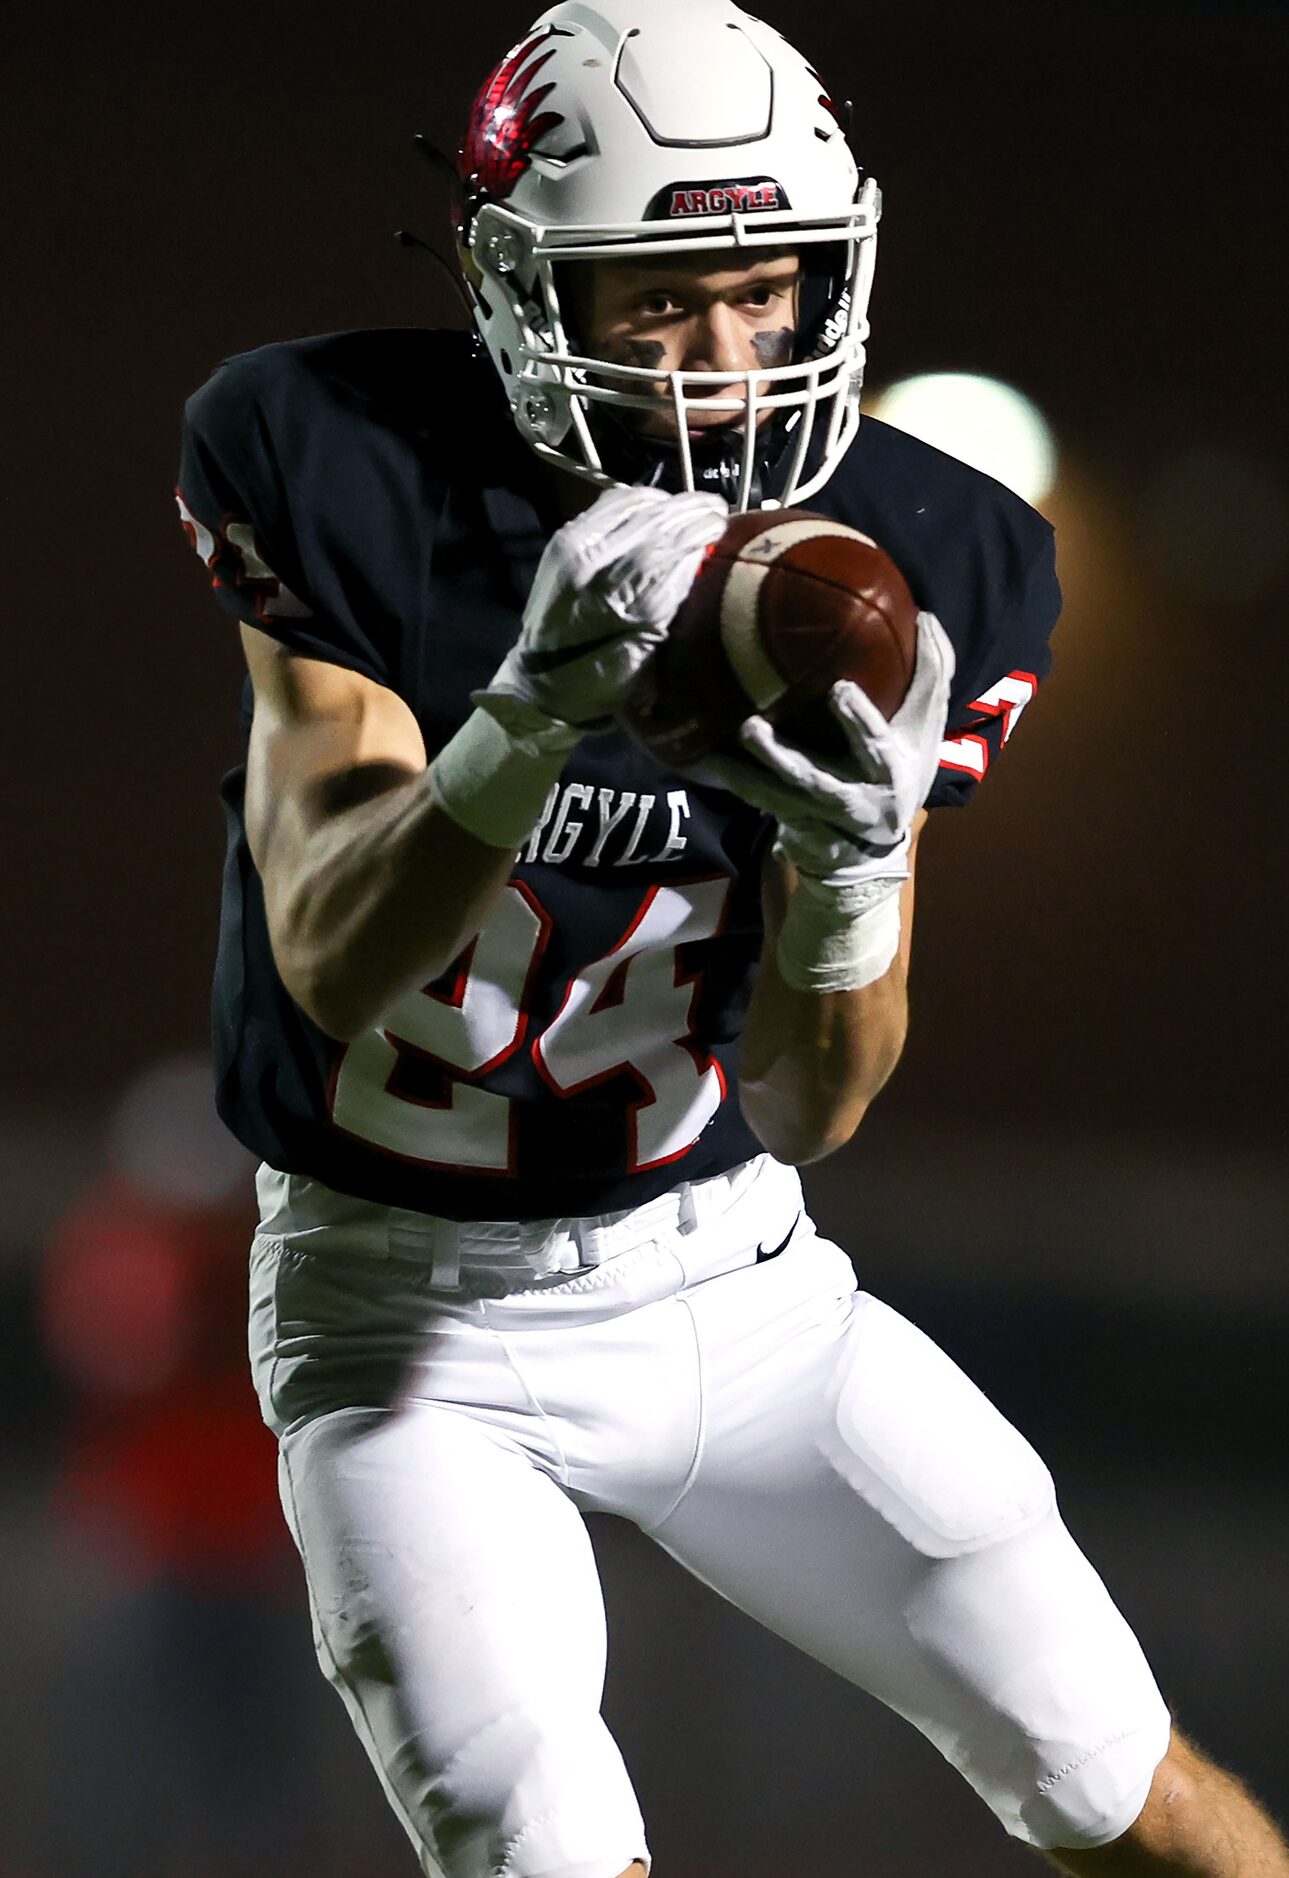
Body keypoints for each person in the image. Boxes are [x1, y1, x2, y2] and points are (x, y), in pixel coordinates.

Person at [175, 3, 1289, 1874]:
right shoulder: (334, 453)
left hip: (731, 1279)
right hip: (405, 1319)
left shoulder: (939, 551)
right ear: (519, 292)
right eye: (652, 303)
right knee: (535, 1832)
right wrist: (521, 718)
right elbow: (335, 956)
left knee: (1130, 1791)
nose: (721, 360)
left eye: (763, 292)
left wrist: (857, 861)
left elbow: (815, 1096)